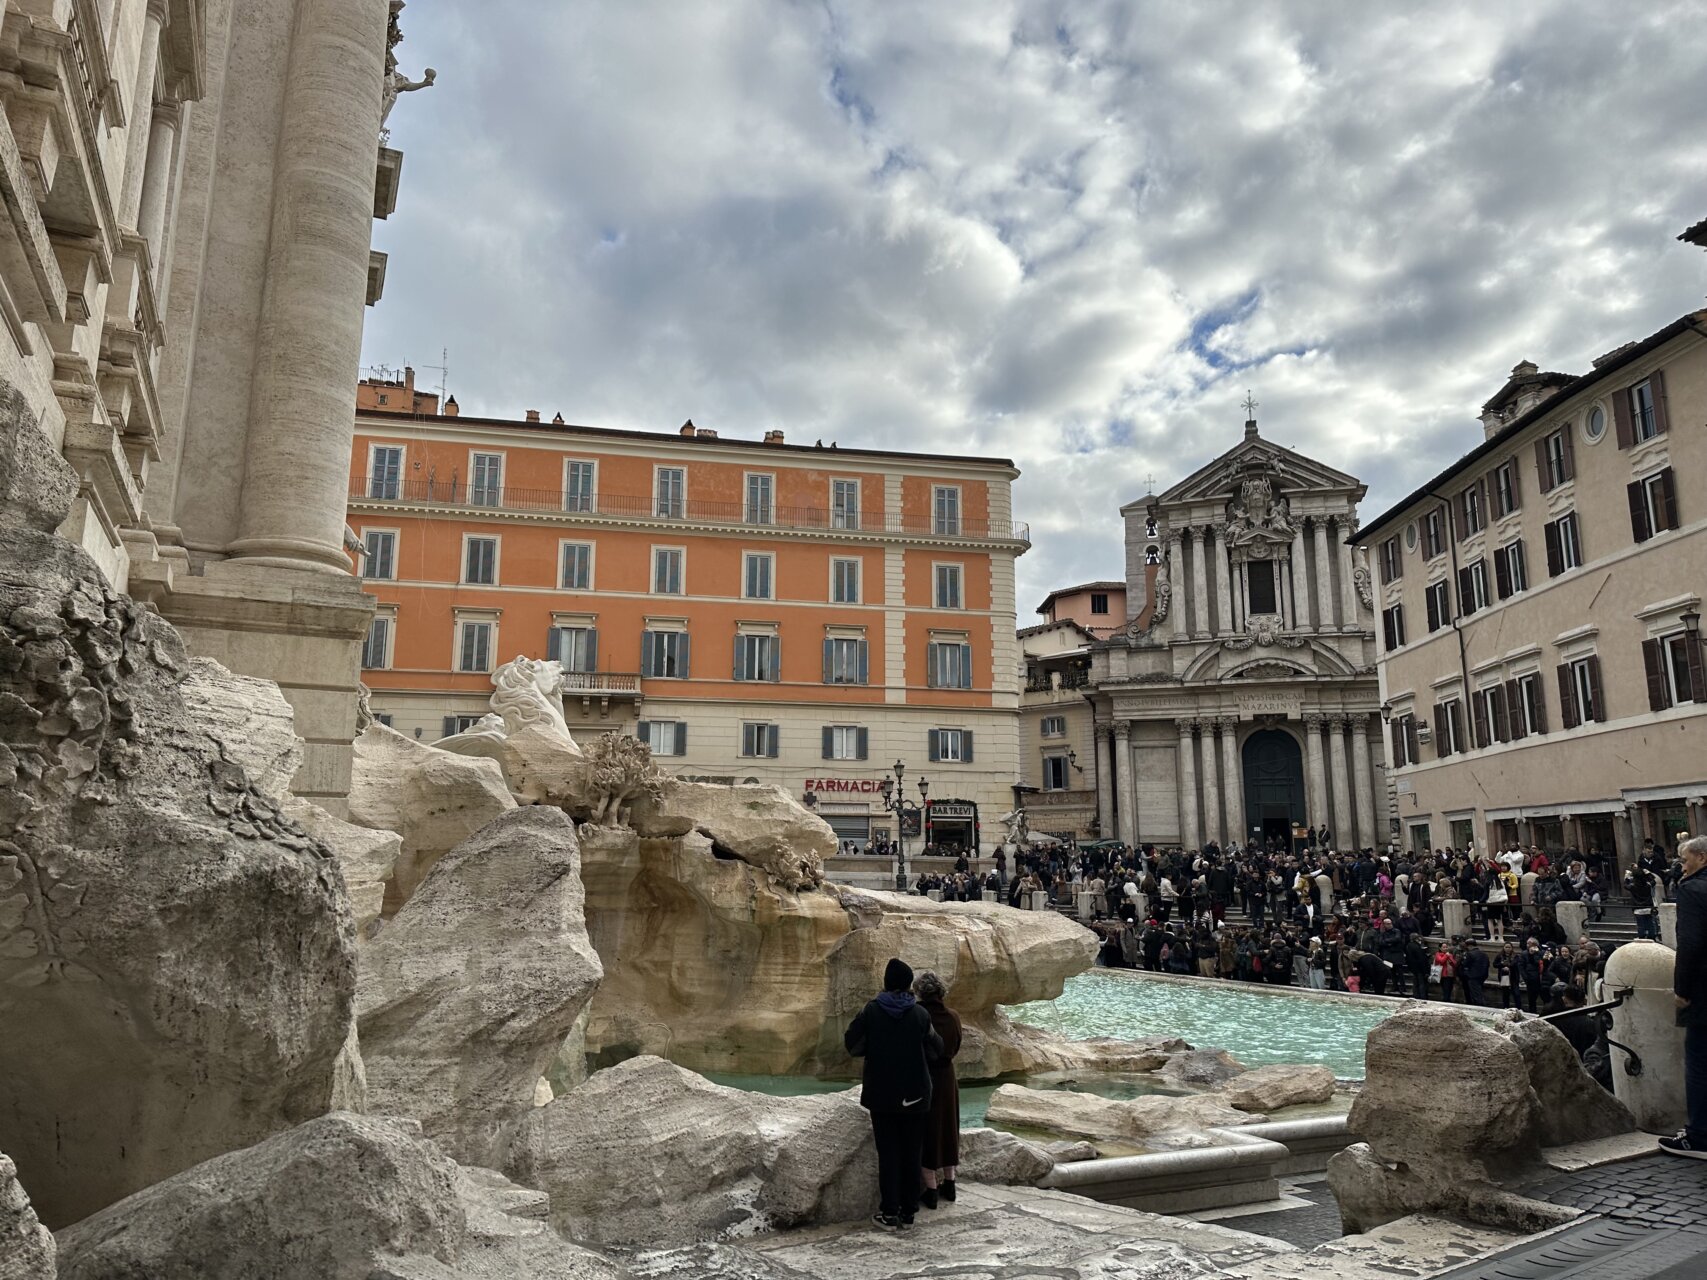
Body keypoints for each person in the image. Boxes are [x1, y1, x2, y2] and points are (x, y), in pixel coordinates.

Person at [845, 957, 943, 1226]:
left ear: (886, 983)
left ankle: (889, 1212)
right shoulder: (921, 1014)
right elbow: (937, 1049)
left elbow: (853, 1045)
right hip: (916, 1095)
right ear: (909, 984)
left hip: (883, 1095)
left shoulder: (872, 1011)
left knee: (888, 1154)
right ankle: (909, 1211)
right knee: (912, 1152)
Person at [1660, 835, 1707, 1159]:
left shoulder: (1692, 890)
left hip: (1704, 991)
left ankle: (1700, 1136)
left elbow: (1689, 945)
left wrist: (1682, 990)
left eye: (1684, 858)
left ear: (1702, 858)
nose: (1681, 864)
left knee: (1699, 1062)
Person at [912, 971, 962, 1207]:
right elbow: (957, 1045)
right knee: (949, 1129)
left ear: (919, 991)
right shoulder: (953, 1016)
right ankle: (950, 1184)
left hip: (925, 1076)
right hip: (948, 1077)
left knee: (927, 1132)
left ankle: (931, 1190)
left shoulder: (918, 1016)